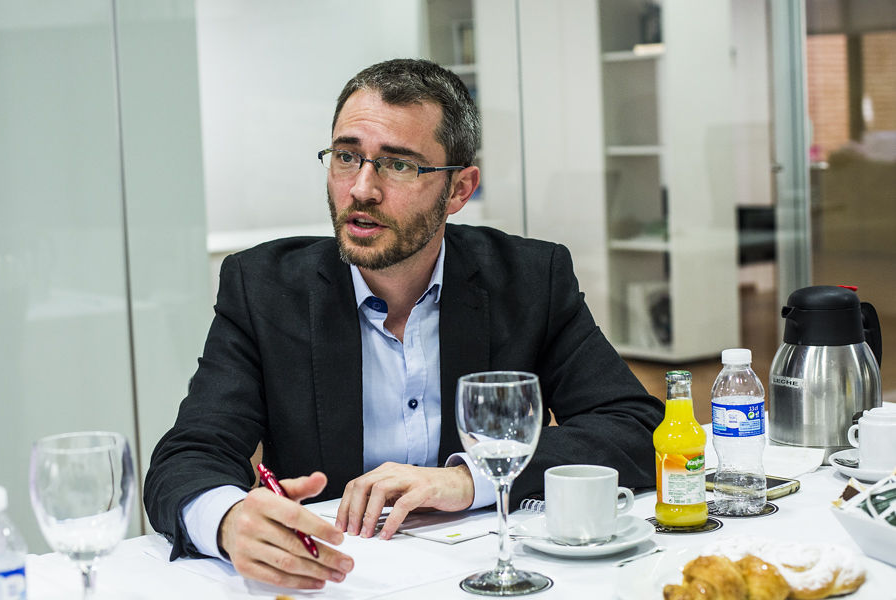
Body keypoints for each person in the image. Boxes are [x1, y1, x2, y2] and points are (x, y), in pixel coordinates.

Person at [144, 58, 664, 590]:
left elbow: (636, 428)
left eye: (398, 165)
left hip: (487, 576)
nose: (361, 188)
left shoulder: (530, 279)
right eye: (347, 156)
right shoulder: (264, 289)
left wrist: (469, 479)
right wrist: (229, 521)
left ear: (460, 190)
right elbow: (189, 455)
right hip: (338, 579)